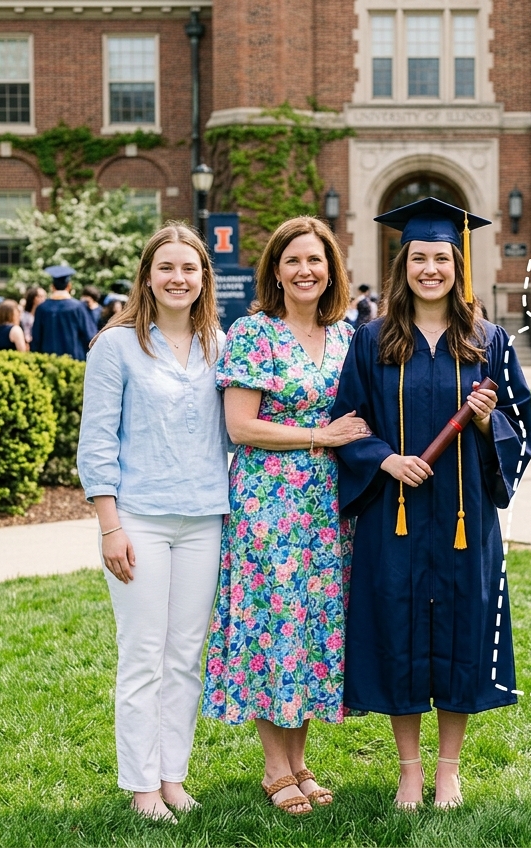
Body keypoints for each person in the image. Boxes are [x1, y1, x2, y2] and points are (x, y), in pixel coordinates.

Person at [331, 197, 531, 811]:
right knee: (397, 626)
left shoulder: (488, 341)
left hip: (463, 513)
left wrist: (486, 421)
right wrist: (383, 460)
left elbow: (521, 428)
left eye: (440, 258)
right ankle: (410, 770)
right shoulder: (371, 341)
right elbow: (347, 419)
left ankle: (449, 770)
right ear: (403, 266)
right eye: (418, 257)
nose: (430, 269)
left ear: (458, 264)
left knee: (461, 629)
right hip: (393, 507)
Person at [202, 216, 363, 817]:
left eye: (315, 261)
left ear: (331, 271)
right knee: (273, 626)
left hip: (328, 508)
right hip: (269, 505)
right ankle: (275, 768)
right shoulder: (253, 333)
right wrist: (320, 434)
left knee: (308, 628)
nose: (305, 270)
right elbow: (240, 425)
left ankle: (300, 762)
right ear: (275, 269)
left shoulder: (347, 337)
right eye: (293, 260)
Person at [77, 222, 229, 824]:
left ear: (203, 278)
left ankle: (173, 778)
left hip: (203, 519)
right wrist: (109, 525)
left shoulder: (217, 345)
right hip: (138, 518)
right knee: (143, 652)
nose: (178, 278)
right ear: (148, 276)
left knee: (185, 655)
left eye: (189, 269)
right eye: (166, 268)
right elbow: (96, 444)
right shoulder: (114, 347)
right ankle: (140, 786)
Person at [31, 265, 99, 359]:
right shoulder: (78, 307)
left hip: (48, 361)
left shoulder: (42, 308)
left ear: (52, 287)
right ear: (69, 286)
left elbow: (36, 339)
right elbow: (90, 336)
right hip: (74, 361)